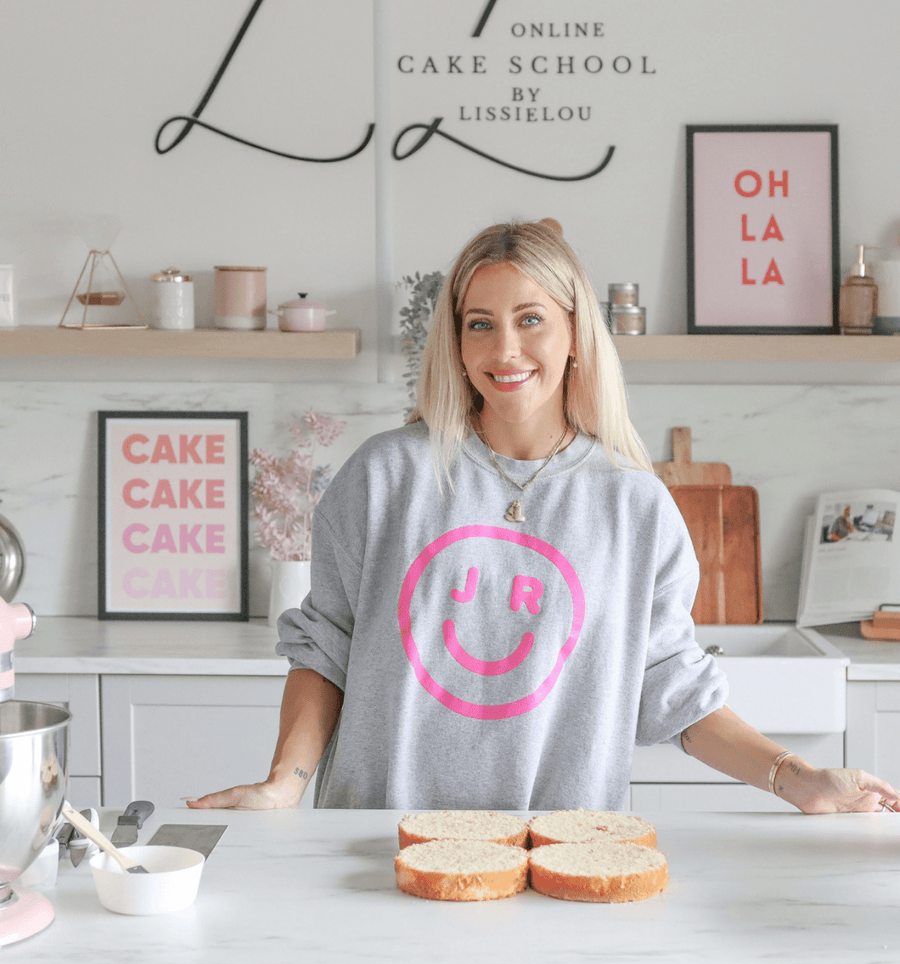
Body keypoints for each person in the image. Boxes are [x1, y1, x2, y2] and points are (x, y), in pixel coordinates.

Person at [189, 219, 900, 815]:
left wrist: (801, 780)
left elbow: (672, 688)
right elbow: (325, 650)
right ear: (456, 342)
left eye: (530, 319)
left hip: (556, 858)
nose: (505, 350)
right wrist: (283, 786)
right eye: (480, 324)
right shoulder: (385, 476)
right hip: (376, 847)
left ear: (575, 332)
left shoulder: (635, 504)